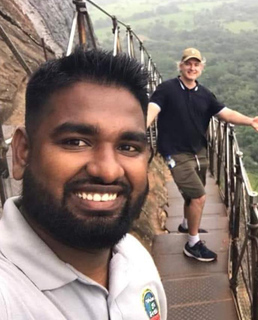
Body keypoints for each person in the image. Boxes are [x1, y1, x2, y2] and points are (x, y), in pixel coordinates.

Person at [0, 48, 167, 320]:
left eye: (128, 146)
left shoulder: (134, 258)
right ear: (22, 152)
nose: (108, 171)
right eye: (75, 142)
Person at [147, 48, 258, 262]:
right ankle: (192, 244)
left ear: (201, 68)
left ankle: (186, 224)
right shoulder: (166, 89)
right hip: (175, 152)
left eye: (196, 64)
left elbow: (225, 113)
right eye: (188, 64)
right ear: (180, 66)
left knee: (192, 194)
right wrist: (139, 127)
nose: (192, 68)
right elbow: (153, 108)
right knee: (198, 196)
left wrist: (250, 120)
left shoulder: (204, 94)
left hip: (198, 151)